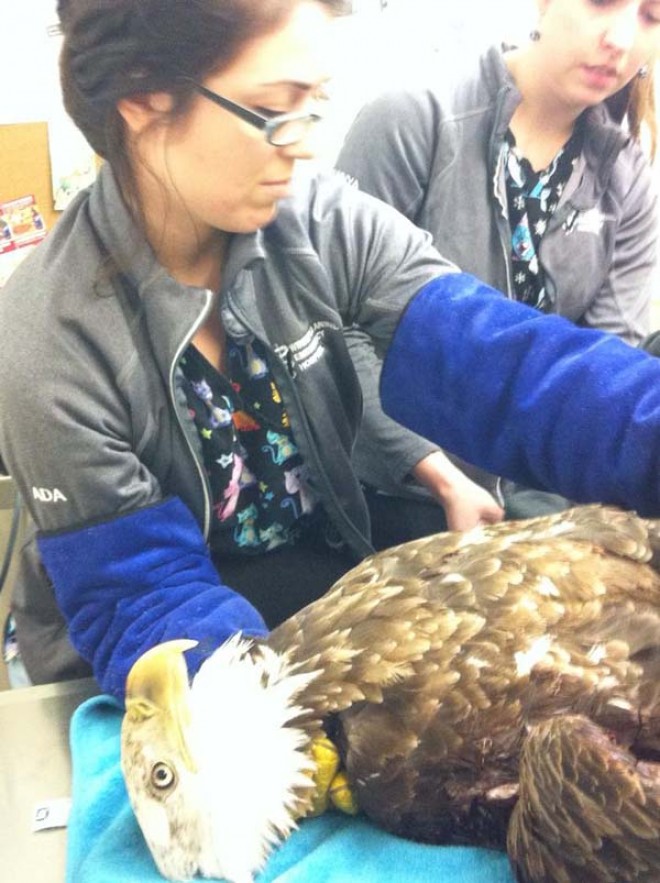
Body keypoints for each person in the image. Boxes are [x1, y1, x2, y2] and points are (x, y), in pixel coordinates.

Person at [3, 0, 660, 700]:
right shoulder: (49, 341)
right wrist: (279, 724)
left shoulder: (318, 223)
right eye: (275, 108)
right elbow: (142, 595)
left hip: (312, 581)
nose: (306, 143)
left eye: (314, 104)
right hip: (151, 665)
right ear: (143, 97)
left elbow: (502, 362)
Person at [337, 0, 660, 520]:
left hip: (541, 497)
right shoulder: (414, 119)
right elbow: (336, 325)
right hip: (396, 484)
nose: (620, 39)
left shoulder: (628, 177)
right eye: (603, 2)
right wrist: (439, 477)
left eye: (652, 16)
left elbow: (606, 360)